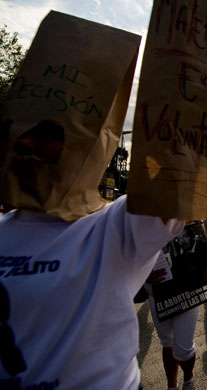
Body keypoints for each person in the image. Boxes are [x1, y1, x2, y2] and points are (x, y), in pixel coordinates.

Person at [0, 14, 185, 389]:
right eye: (19, 127)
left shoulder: (117, 228)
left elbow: (180, 173)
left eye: (48, 133)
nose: (26, 142)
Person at [143, 222, 207, 390]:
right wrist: (143, 274)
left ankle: (189, 379)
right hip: (157, 293)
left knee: (183, 349)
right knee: (167, 342)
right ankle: (172, 385)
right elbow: (129, 258)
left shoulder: (192, 218)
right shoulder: (141, 222)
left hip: (186, 291)